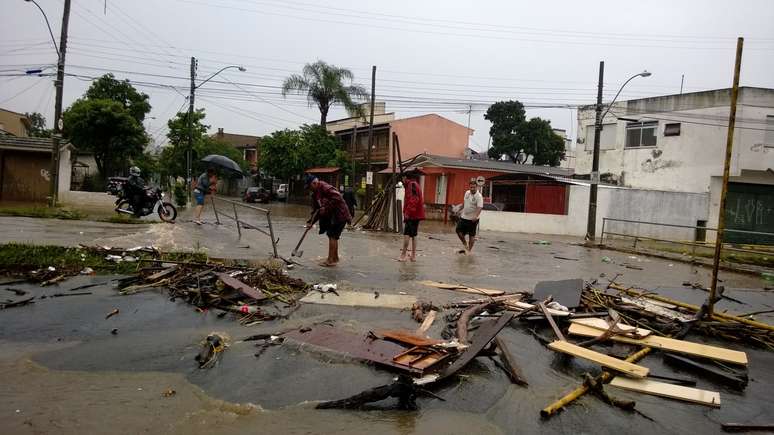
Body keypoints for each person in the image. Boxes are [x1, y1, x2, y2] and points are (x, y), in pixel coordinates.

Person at [306, 175, 351, 267]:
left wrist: (326, 207)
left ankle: (330, 260)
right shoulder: (315, 194)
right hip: (334, 217)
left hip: (340, 215)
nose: (310, 189)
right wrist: (311, 222)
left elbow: (337, 197)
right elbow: (316, 210)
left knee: (332, 235)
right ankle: (335, 258)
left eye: (310, 187)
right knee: (333, 236)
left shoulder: (325, 187)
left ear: (315, 183)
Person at [399, 170, 424, 262]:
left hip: (412, 215)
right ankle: (413, 256)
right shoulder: (415, 184)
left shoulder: (411, 185)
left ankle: (403, 255)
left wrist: (407, 213)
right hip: (416, 215)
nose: (402, 180)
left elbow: (414, 199)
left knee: (407, 234)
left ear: (405, 177)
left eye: (402, 178)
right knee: (414, 235)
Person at [456, 178, 484, 254]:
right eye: (471, 187)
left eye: (474, 187)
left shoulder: (479, 196)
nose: (472, 189)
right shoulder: (467, 193)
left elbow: (480, 207)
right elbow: (465, 203)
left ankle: (469, 251)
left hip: (473, 219)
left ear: (477, 187)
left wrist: (476, 216)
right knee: (458, 231)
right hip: (464, 217)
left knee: (471, 235)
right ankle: (465, 244)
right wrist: (459, 209)